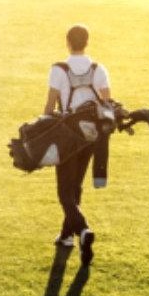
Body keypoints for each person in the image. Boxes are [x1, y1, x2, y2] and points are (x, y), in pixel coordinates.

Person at [43, 24, 111, 264]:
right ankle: (66, 236)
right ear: (87, 42)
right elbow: (107, 103)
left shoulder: (58, 70)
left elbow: (49, 107)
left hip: (68, 135)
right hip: (91, 135)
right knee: (76, 186)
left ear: (68, 43)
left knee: (64, 191)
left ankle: (82, 229)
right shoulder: (99, 69)